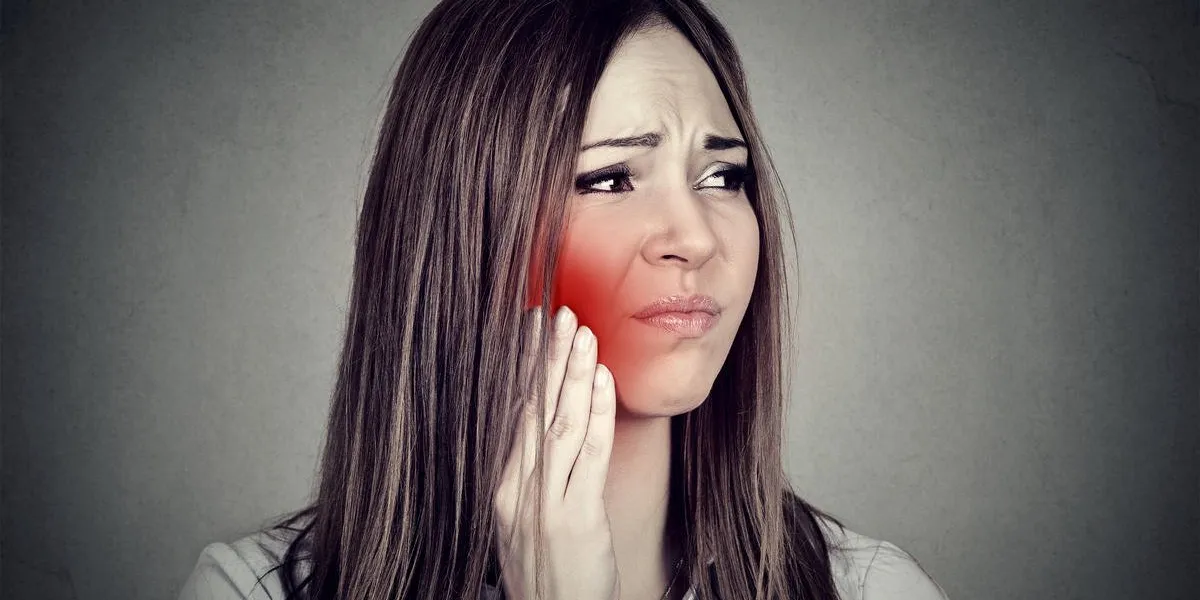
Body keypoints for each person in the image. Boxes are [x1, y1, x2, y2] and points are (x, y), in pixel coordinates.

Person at [179, 0, 950, 599]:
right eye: (609, 179)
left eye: (724, 176)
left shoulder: (870, 588)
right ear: (464, 233)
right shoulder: (248, 590)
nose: (696, 236)